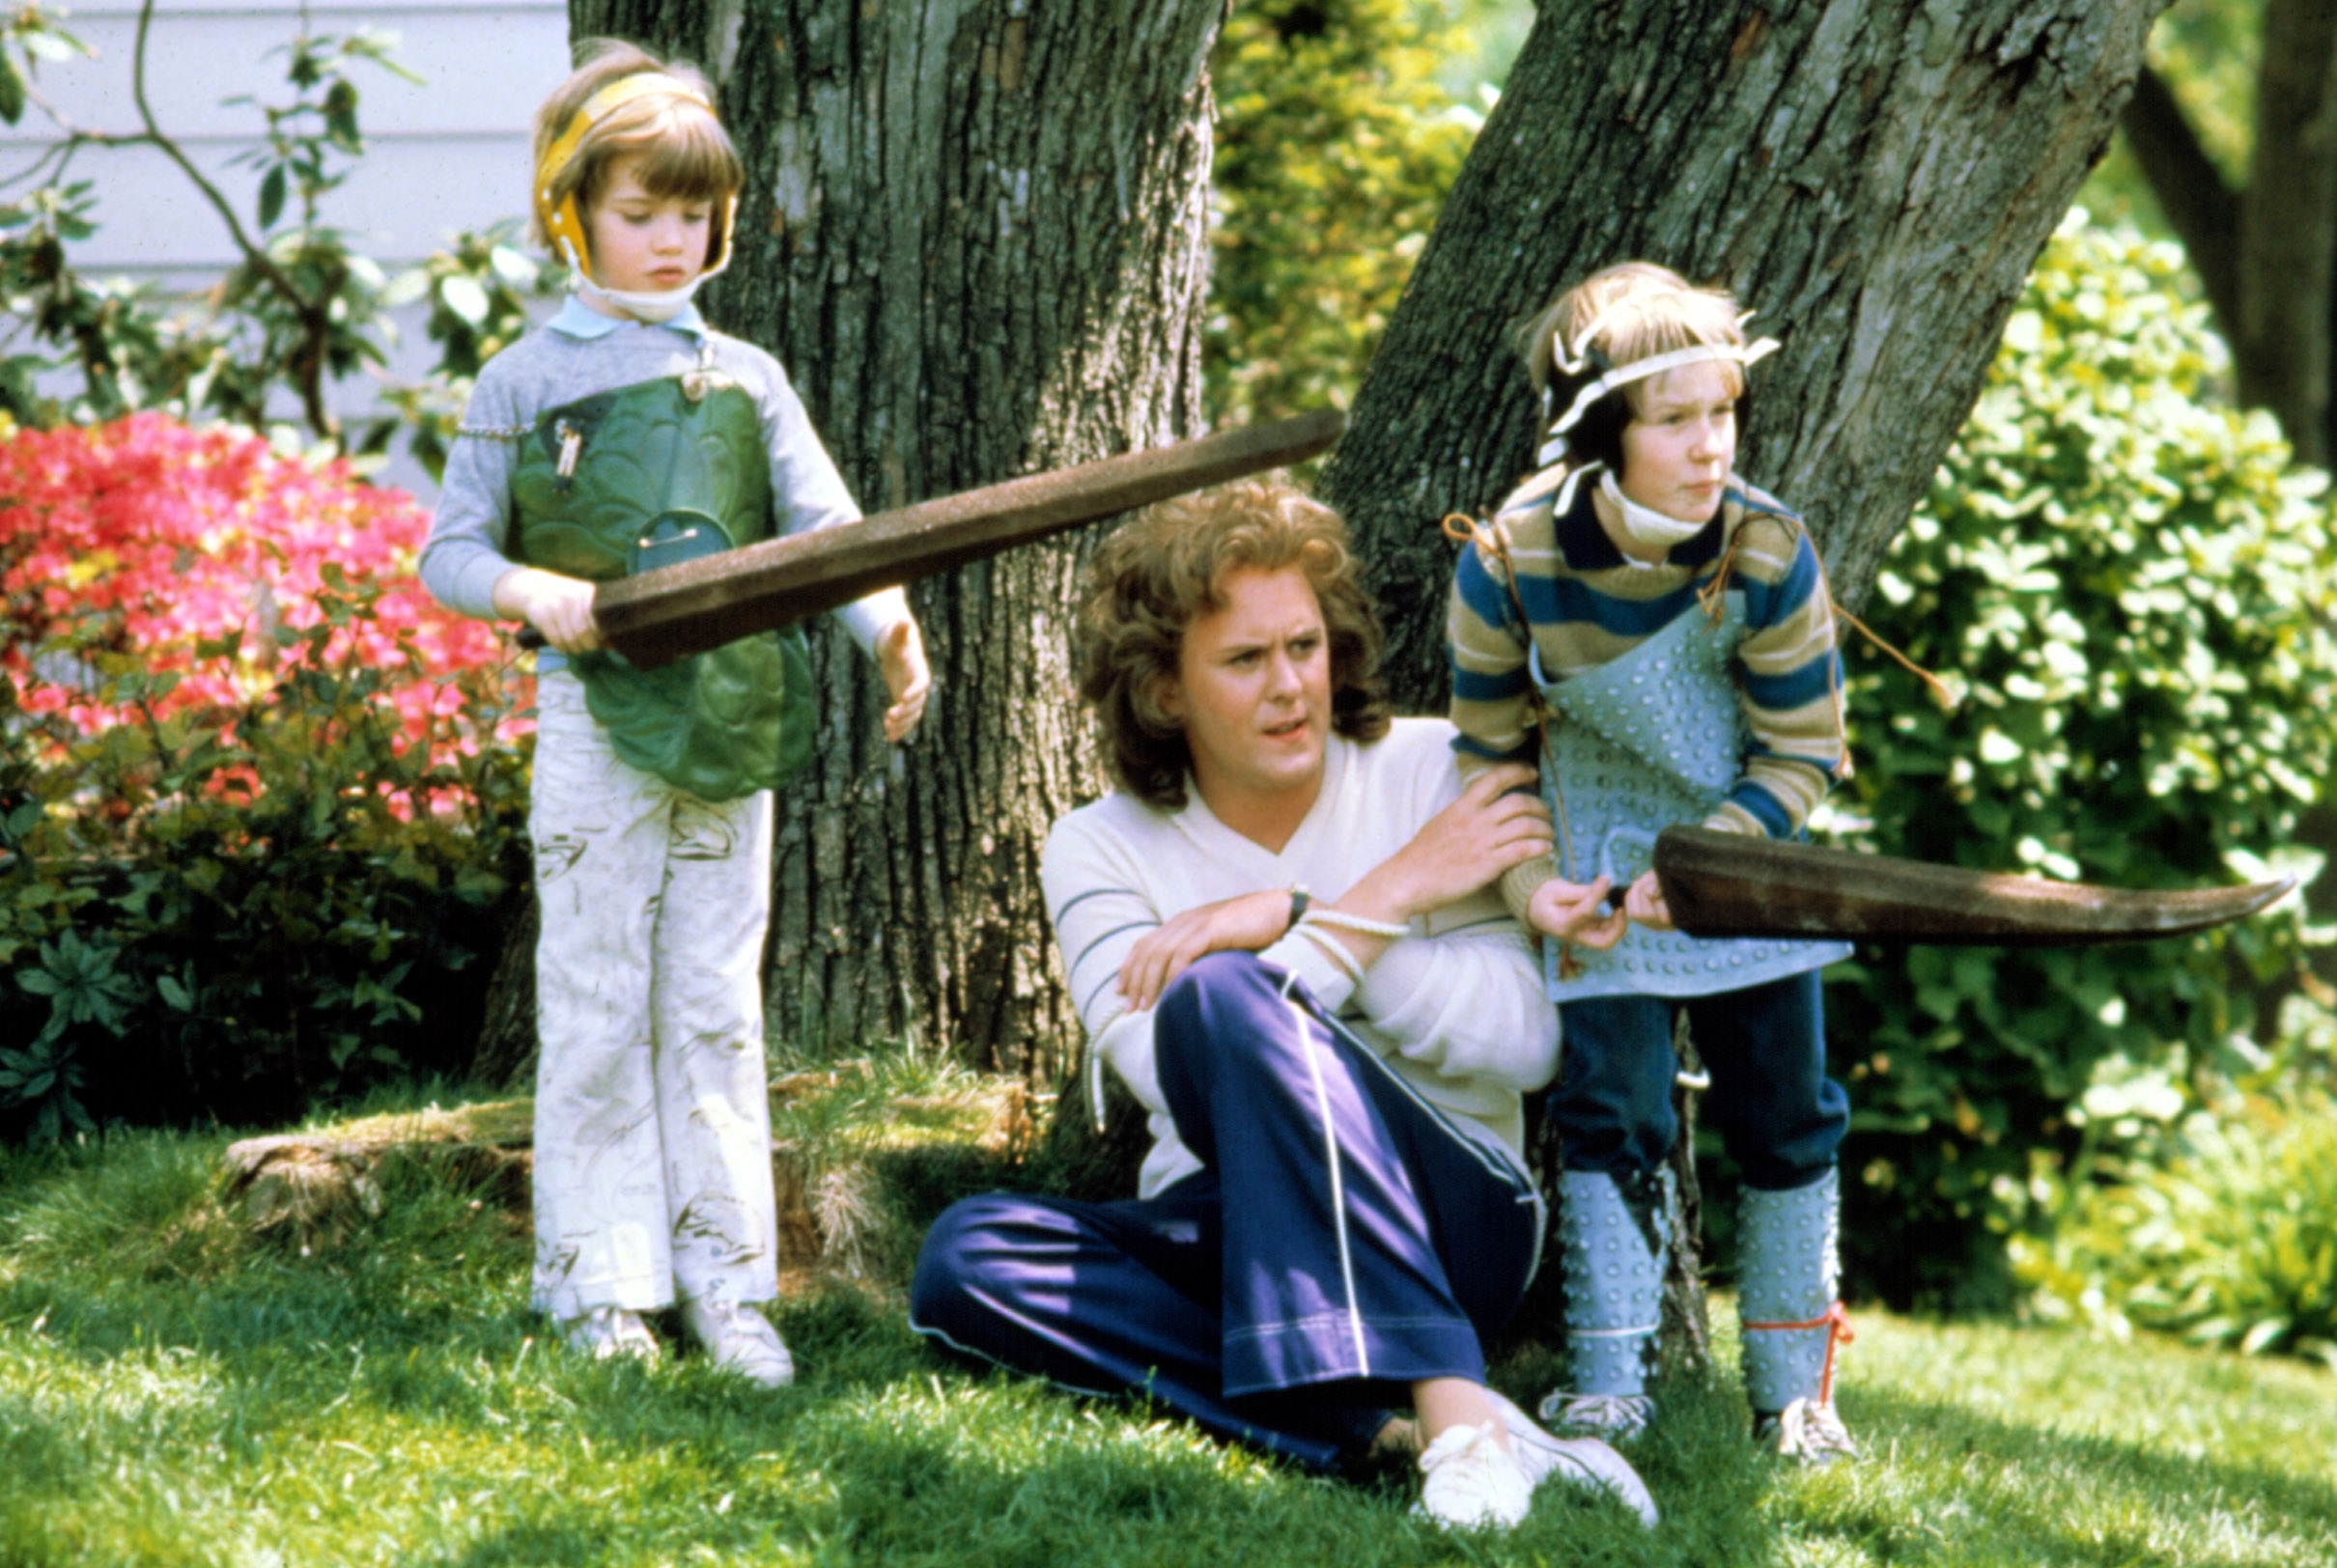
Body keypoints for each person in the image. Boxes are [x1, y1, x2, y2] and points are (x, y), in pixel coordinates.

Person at [909, 482, 1656, 1532]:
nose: (1289, 687)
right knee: (966, 1258)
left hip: (1455, 1218)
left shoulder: (1436, 772)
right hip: (1229, 1229)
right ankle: (1393, 1429)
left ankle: (1449, 1408)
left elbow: (1529, 1042)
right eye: (1244, 661)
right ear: (1165, 692)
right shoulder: (1097, 846)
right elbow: (1161, 1069)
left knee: (1222, 986)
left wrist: (1291, 917)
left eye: (1302, 646)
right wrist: (1382, 899)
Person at [419, 40, 930, 1386]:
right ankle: (596, 1283)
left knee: (713, 999)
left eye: (691, 213)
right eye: (639, 212)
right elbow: (448, 552)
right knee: (593, 995)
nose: (668, 239)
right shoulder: (522, 381)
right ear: (569, 210)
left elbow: (821, 528)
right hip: (596, 722)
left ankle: (728, 1282)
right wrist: (536, 590)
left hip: (732, 717)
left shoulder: (750, 378)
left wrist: (886, 625)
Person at [1445, 263, 1858, 1462]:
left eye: (1721, 411)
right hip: (1595, 865)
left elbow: (1803, 750)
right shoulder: (1510, 564)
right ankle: (1606, 1381)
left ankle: (1795, 1395)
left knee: (1788, 1116)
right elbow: (1490, 760)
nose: (1708, 445)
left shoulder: (1767, 548)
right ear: (1601, 429)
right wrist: (1533, 892)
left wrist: (1720, 856)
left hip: (1743, 861)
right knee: (1608, 1113)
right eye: (1673, 419)